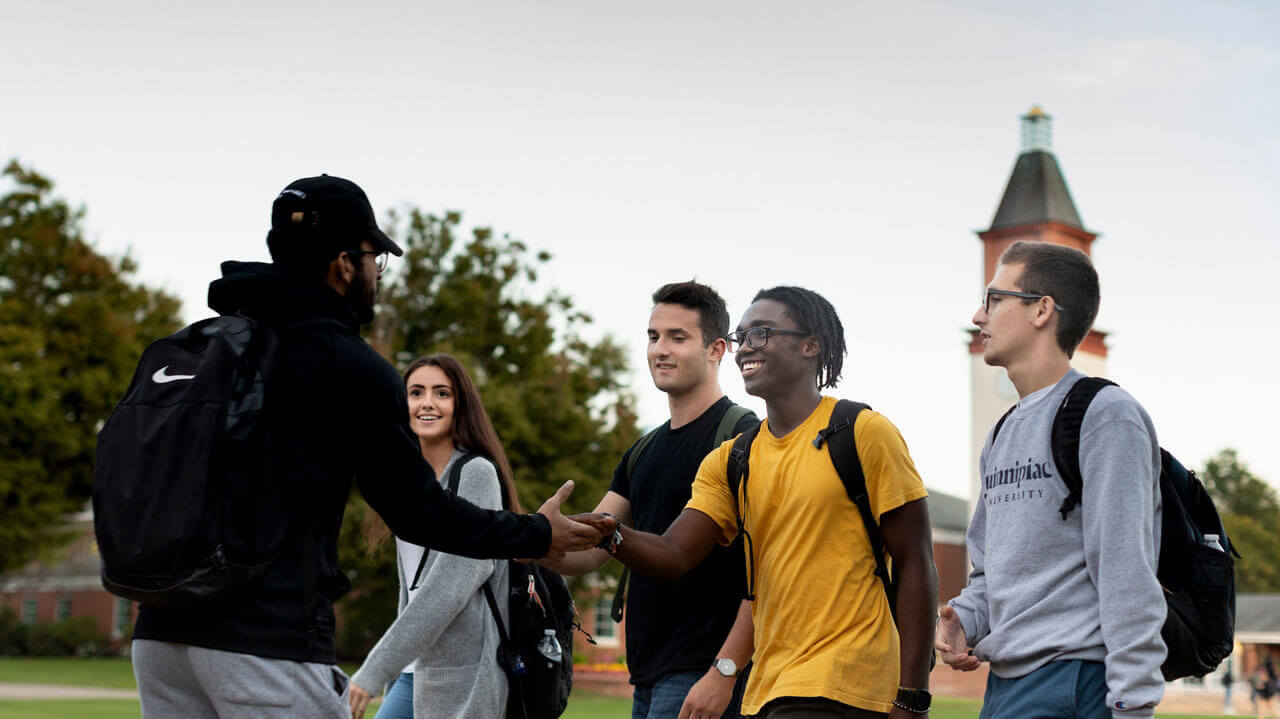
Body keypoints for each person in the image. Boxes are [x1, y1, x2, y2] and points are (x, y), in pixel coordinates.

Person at [129, 175, 609, 718]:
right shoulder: (345, 363)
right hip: (264, 642)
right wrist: (538, 533)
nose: (375, 276)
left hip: (158, 640)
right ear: (343, 264)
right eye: (374, 259)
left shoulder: (192, 348)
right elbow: (422, 513)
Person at [609, 286, 937, 719]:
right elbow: (673, 553)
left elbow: (916, 560)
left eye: (760, 333)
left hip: (847, 684)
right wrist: (606, 534)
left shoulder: (862, 432)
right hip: (765, 690)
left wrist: (912, 697)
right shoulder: (731, 460)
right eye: (741, 336)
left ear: (810, 346)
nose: (745, 347)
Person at [936, 240, 1166, 719]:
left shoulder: (1105, 415)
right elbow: (991, 573)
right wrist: (966, 620)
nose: (979, 316)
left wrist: (1132, 703)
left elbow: (1126, 568)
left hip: (1076, 683)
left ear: (1042, 309)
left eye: (994, 299)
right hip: (1005, 685)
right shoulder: (1001, 433)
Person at [540, 281, 758, 719]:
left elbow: (769, 569)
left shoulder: (742, 435)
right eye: (653, 336)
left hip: (705, 672)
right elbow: (590, 550)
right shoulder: (642, 451)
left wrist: (725, 671)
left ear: (717, 349)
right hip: (645, 673)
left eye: (678, 337)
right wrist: (539, 537)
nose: (660, 349)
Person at [348, 354, 518, 719]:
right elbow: (411, 592)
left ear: (460, 405)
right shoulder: (408, 486)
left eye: (442, 393)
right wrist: (394, 670)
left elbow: (451, 583)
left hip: (463, 680)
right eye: (416, 392)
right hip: (413, 673)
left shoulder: (476, 472)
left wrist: (375, 669)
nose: (427, 402)